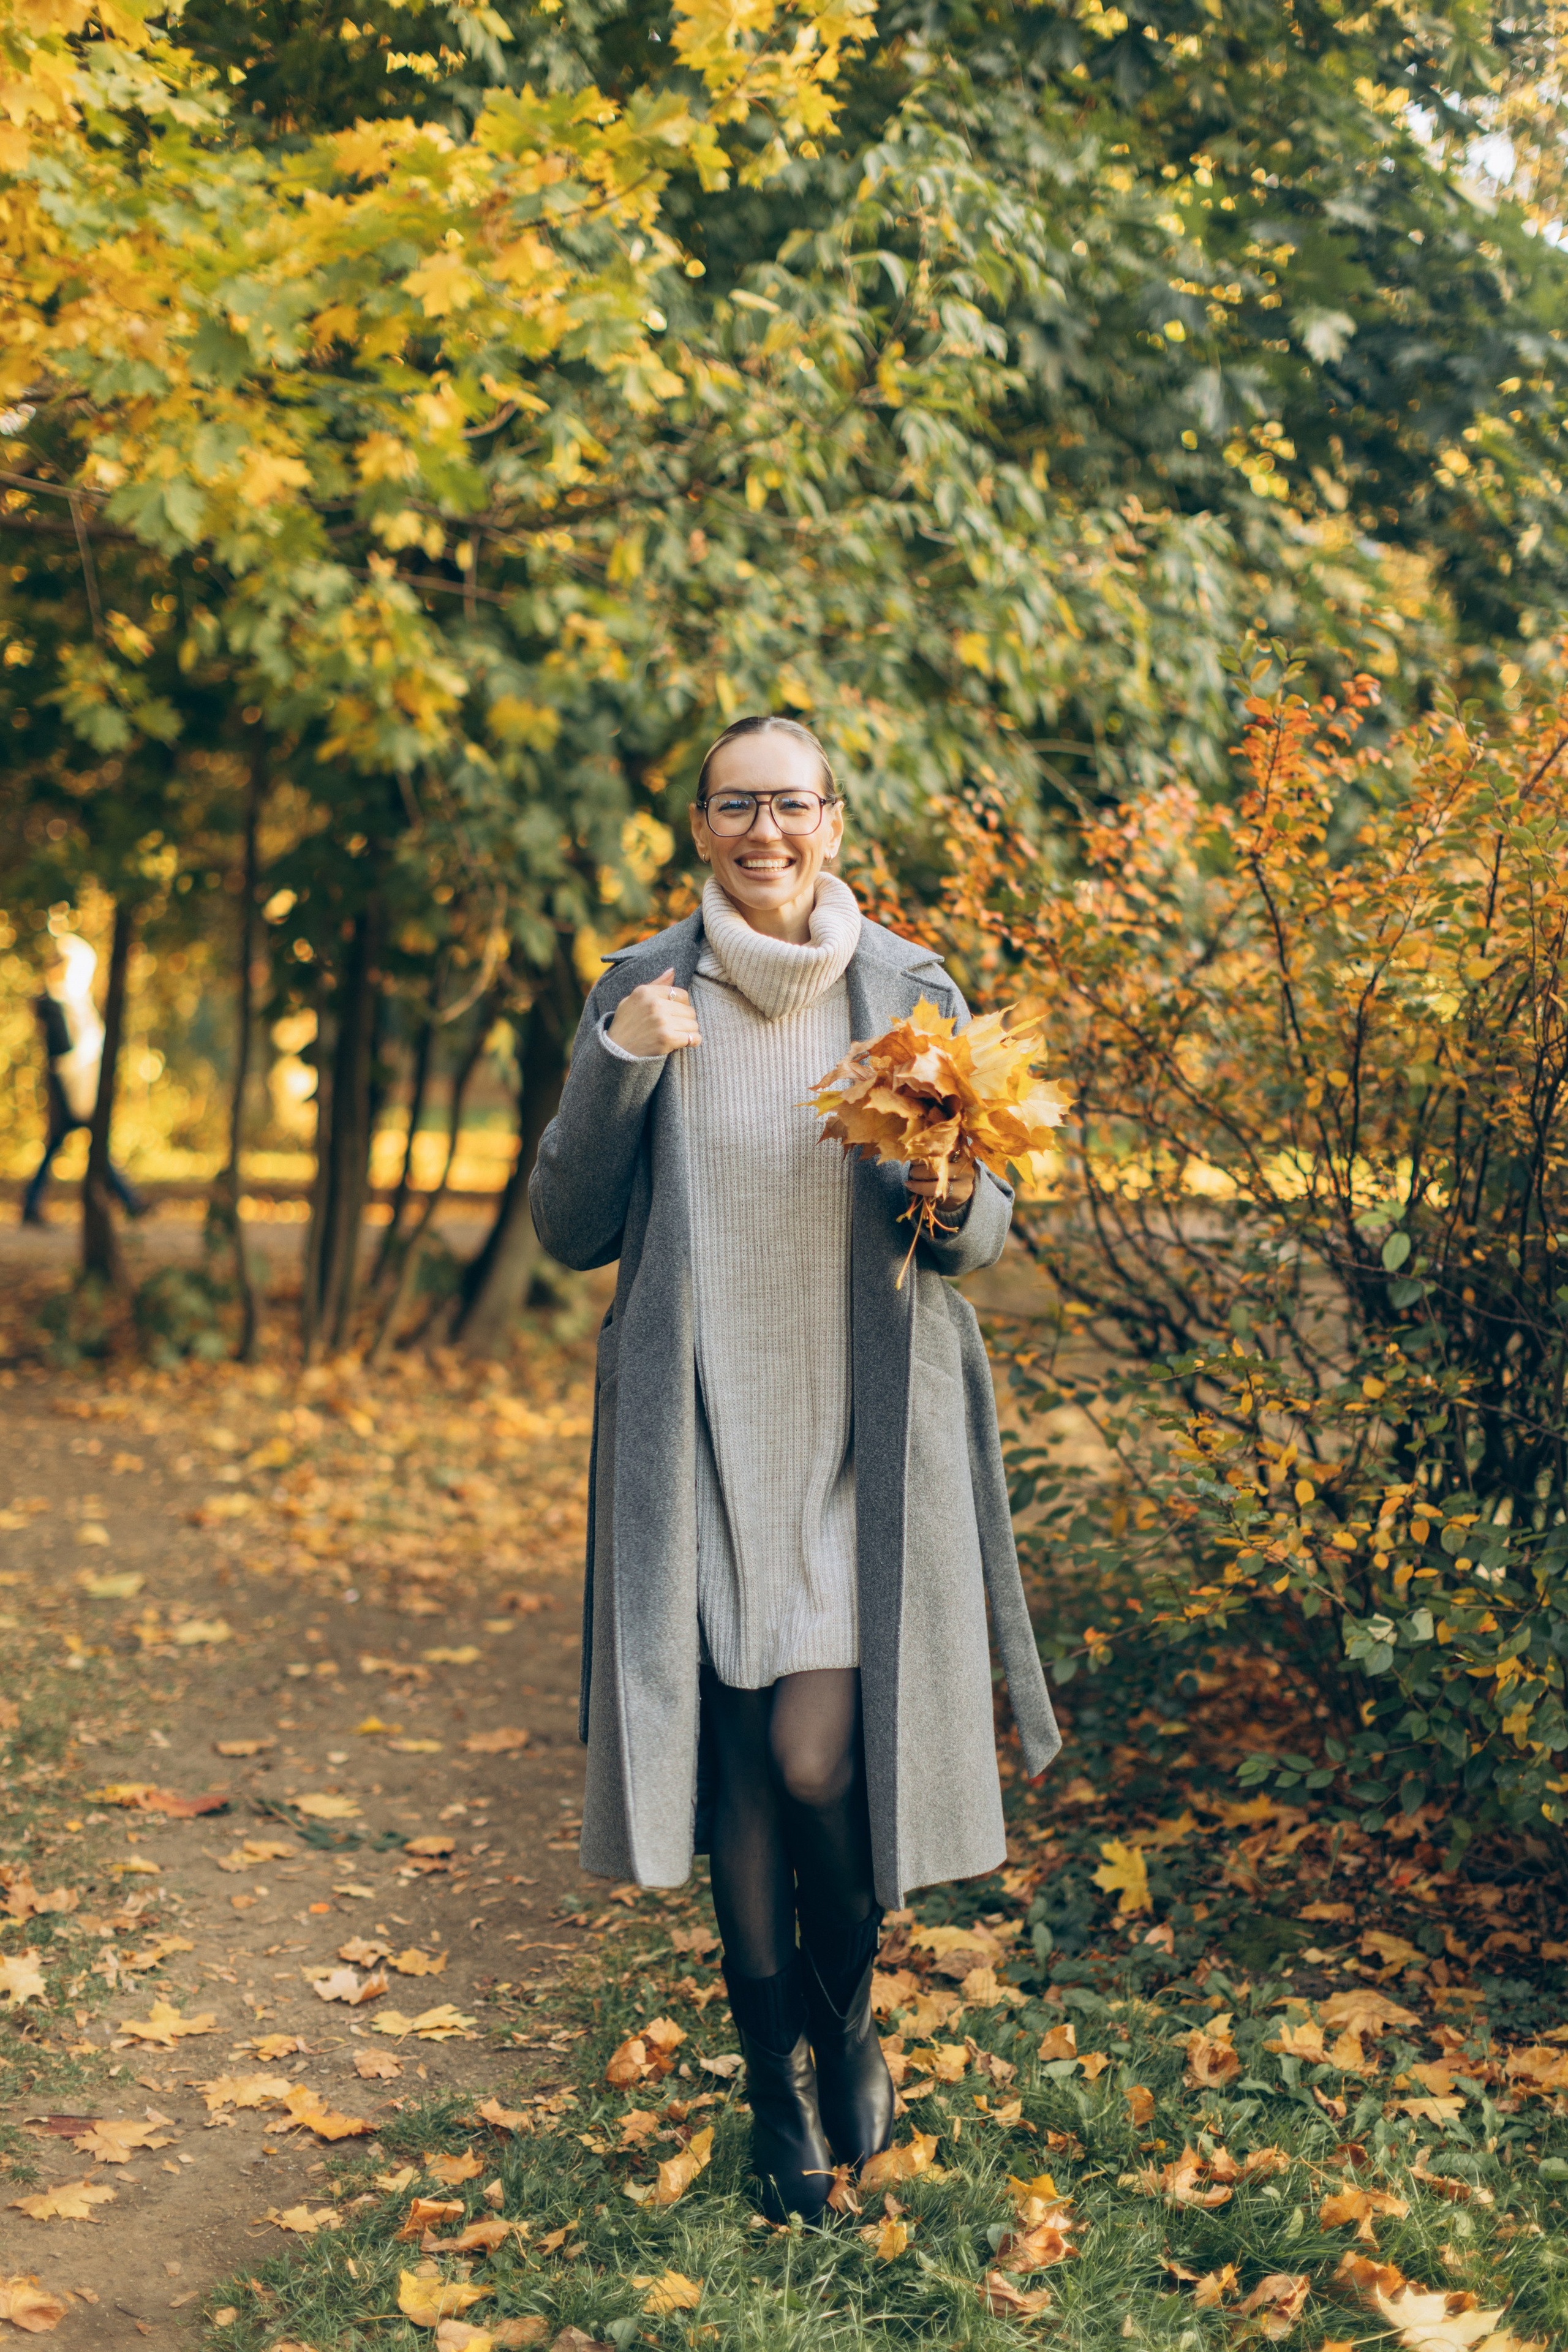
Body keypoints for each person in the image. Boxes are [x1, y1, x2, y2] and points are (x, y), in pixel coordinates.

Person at [530, 716, 1060, 2221]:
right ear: (698, 826)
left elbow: (978, 1228)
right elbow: (566, 1224)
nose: (762, 830)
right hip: (701, 1430)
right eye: (732, 806)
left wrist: (944, 1192)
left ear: (833, 819)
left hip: (855, 1433)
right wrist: (619, 1071)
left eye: (789, 803)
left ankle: (841, 2019)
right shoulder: (641, 989)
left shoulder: (909, 988)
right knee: (742, 1761)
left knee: (821, 1752)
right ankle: (774, 2082)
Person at [23, 937, 145, 1227]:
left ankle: (127, 1199)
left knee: (66, 1146)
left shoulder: (75, 1003)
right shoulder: (53, 1004)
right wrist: (92, 1046)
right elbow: (61, 1055)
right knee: (87, 1142)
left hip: (82, 1088)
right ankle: (129, 1200)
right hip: (70, 1091)